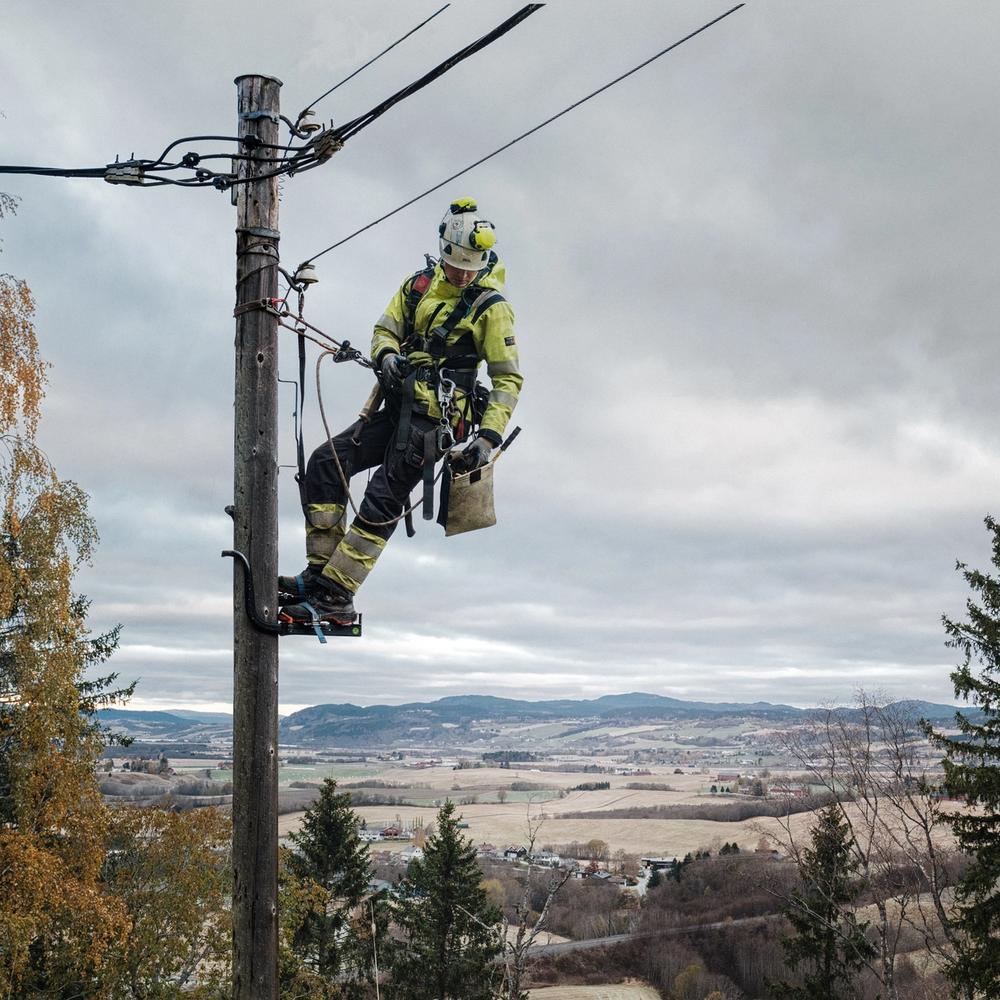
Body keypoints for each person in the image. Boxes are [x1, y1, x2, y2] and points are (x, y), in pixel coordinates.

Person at [279, 198, 522, 624]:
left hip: (436, 422)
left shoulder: (491, 306)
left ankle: (336, 596)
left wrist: (487, 438)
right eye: (458, 264)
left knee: (381, 498)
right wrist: (388, 354)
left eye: (472, 266)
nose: (465, 273)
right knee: (325, 463)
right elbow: (385, 329)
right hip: (398, 406)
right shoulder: (418, 287)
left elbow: (507, 379)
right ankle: (319, 576)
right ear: (444, 250)